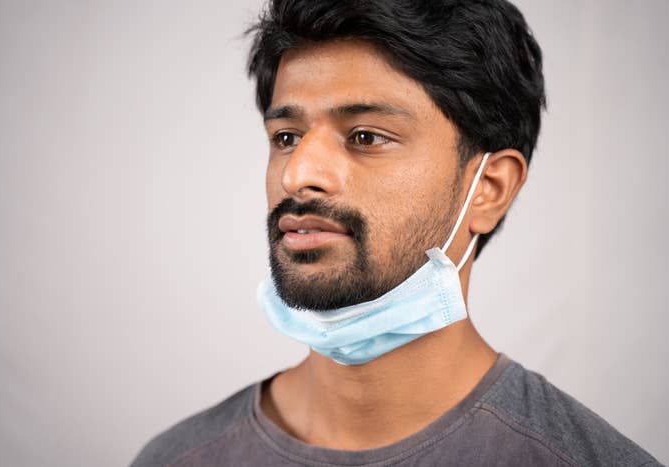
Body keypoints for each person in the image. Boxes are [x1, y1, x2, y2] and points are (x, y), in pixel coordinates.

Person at [131, 0, 661, 465]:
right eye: (287, 136)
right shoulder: (175, 458)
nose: (298, 174)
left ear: (489, 189)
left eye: (365, 136)